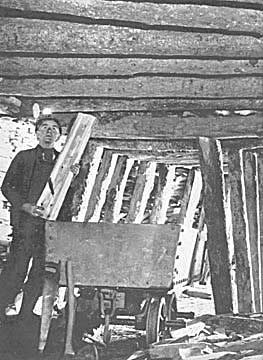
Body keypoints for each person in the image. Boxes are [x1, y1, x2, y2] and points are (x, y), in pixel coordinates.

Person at [0, 116, 79, 324]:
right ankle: (2, 308)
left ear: (59, 136)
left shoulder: (64, 163)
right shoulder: (24, 157)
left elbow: (68, 198)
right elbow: (7, 187)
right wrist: (26, 207)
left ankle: (26, 313)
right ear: (37, 133)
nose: (49, 132)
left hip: (49, 228)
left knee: (39, 271)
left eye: (54, 129)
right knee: (16, 268)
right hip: (25, 225)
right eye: (44, 128)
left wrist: (73, 178)